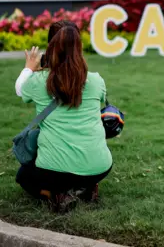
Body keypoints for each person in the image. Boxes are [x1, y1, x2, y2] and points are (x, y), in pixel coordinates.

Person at [13, 20, 113, 213]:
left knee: (23, 177)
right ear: (80, 47)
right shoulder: (95, 80)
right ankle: (86, 188)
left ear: (50, 47)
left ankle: (57, 194)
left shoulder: (39, 81)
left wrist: (29, 68)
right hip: (100, 167)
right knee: (85, 165)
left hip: (54, 172)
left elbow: (19, 90)